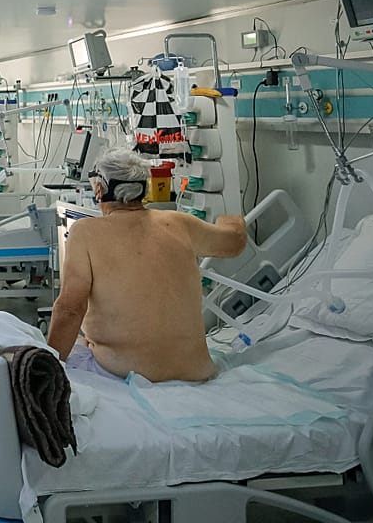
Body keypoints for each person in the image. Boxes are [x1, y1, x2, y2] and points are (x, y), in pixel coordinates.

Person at [47, 149, 246, 382]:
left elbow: (70, 309)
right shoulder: (179, 223)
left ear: (99, 190)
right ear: (144, 188)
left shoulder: (86, 233)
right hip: (195, 372)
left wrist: (50, 365)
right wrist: (230, 220)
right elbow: (235, 242)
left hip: (124, 372)